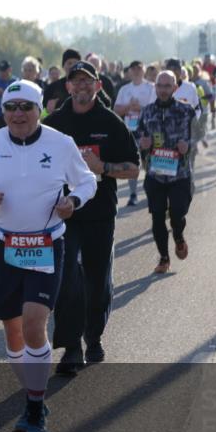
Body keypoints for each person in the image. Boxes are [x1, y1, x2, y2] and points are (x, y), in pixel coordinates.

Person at [0, 80, 97, 432]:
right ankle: (34, 395)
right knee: (14, 333)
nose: (18, 114)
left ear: (39, 110)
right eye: (11, 107)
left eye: (26, 107)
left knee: (35, 323)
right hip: (4, 247)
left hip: (47, 245)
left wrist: (73, 203)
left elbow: (87, 182)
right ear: (3, 112)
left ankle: (34, 407)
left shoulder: (60, 144)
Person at [44, 62, 140, 375]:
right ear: (68, 87)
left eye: (88, 82)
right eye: (76, 82)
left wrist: (103, 168)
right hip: (64, 214)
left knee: (98, 280)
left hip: (99, 212)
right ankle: (71, 348)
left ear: (97, 86)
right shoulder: (55, 123)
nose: (82, 87)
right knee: (66, 275)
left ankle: (94, 334)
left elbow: (133, 168)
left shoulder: (110, 123)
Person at [136, 71, 196, 274]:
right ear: (155, 87)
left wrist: (188, 144)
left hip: (180, 173)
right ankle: (164, 257)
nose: (163, 90)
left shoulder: (186, 111)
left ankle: (178, 236)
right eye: (160, 86)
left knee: (178, 213)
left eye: (167, 86)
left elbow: (199, 134)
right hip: (155, 173)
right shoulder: (147, 112)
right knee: (157, 217)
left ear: (175, 88)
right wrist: (142, 143)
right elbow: (138, 136)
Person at [113, 60, 157, 206]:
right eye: (134, 69)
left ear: (144, 70)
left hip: (147, 130)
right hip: (130, 131)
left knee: (147, 162)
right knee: (132, 162)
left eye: (139, 68)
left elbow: (156, 109)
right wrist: (129, 107)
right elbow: (116, 110)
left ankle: (149, 188)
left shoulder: (151, 87)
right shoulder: (124, 89)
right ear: (129, 71)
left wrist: (140, 108)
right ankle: (133, 194)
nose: (137, 71)